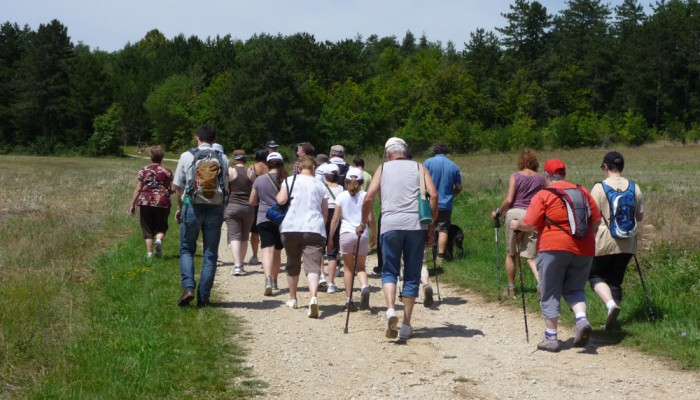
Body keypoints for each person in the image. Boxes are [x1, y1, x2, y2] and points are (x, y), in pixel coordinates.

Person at [510, 159, 601, 352]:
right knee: (575, 288)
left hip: (553, 248)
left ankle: (551, 338)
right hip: (584, 248)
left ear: (546, 175)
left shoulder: (544, 195)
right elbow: (595, 221)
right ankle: (581, 319)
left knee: (550, 290)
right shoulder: (583, 192)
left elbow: (531, 224)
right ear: (564, 174)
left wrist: (517, 225)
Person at [358, 137, 438, 343]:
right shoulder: (419, 168)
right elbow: (434, 195)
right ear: (405, 151)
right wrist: (431, 227)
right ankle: (406, 325)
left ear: (388, 153)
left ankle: (391, 309)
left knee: (389, 271)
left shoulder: (383, 169)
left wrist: (362, 223)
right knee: (412, 274)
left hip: (390, 225)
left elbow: (368, 197)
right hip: (415, 226)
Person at [172, 125, 229, 307]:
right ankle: (203, 298)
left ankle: (188, 286)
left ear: (197, 138)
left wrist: (181, 208)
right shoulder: (222, 158)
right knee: (210, 254)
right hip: (215, 208)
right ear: (214, 140)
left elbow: (177, 186)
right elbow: (226, 187)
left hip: (192, 207)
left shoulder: (186, 156)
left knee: (187, 249)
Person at [589, 151, 644, 330]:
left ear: (606, 167)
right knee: (615, 280)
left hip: (605, 240)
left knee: (594, 275)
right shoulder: (634, 187)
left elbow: (593, 217)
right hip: (628, 242)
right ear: (622, 167)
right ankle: (612, 321)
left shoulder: (599, 187)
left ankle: (610, 305)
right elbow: (640, 216)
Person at [276, 155, 329, 317]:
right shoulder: (320, 185)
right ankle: (313, 296)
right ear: (314, 168)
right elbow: (325, 212)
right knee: (313, 265)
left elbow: (281, 200)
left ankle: (293, 298)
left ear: (299, 168)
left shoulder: (289, 181)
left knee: (292, 263)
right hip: (313, 227)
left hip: (290, 226)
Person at [491, 148, 545, 298]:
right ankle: (541, 283)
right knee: (532, 255)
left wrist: (498, 212)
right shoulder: (541, 179)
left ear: (520, 162)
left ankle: (511, 287)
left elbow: (509, 199)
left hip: (515, 214)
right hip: (533, 215)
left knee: (511, 253)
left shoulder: (515, 176)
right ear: (535, 162)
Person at [328, 167, 376, 310]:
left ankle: (349, 300)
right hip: (362, 234)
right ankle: (364, 287)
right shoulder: (366, 196)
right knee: (360, 267)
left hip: (346, 234)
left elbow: (335, 219)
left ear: (346, 182)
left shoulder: (341, 196)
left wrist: (330, 237)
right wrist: (375, 234)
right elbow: (371, 219)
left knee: (348, 268)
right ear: (361, 182)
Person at [250, 151, 287, 296]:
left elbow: (252, 201)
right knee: (277, 251)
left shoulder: (259, 180)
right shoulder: (287, 180)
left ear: (267, 163)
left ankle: (268, 280)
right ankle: (276, 279)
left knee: (267, 250)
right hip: (282, 219)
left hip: (264, 217)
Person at [129, 145, 173, 260]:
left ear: (151, 157)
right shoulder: (167, 171)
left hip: (145, 201)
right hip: (162, 202)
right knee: (161, 226)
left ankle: (149, 254)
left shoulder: (144, 170)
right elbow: (172, 189)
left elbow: (138, 188)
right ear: (162, 157)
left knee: (147, 228)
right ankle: (158, 241)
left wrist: (132, 204)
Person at [423, 143, 462, 268]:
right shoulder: (454, 166)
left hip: (429, 202)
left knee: (427, 227)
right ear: (446, 152)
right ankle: (440, 257)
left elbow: (421, 181)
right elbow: (459, 187)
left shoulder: (427, 163)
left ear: (434, 151)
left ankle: (425, 256)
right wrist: (451, 193)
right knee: (443, 230)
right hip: (446, 203)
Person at [225, 149, 256, 276]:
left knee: (234, 236)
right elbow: (254, 189)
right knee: (244, 236)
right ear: (244, 159)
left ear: (234, 159)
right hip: (248, 208)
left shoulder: (230, 171)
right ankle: (241, 264)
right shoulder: (251, 171)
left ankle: (237, 266)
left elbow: (227, 189)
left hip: (233, 206)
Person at [321, 163, 345, 293]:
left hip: (323, 215)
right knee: (333, 249)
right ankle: (331, 282)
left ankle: (320, 276)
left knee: (320, 247)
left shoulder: (321, 187)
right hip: (336, 217)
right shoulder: (341, 188)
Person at [247, 148, 269, 266]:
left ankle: (255, 256)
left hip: (256, 201)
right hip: (267, 201)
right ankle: (267, 255)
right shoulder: (269, 168)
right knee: (267, 231)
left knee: (255, 232)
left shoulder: (252, 167)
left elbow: (248, 182)